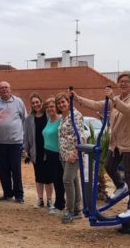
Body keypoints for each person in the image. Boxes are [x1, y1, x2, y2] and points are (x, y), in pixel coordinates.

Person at [70, 71, 130, 218]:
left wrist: (113, 99)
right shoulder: (116, 99)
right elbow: (97, 105)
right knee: (109, 165)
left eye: (126, 81)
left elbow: (129, 110)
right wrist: (78, 98)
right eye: (120, 81)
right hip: (117, 142)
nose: (122, 83)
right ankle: (120, 185)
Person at [0, 81, 27, 203]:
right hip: (0, 142)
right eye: (1, 88)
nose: (4, 89)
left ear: (10, 89)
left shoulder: (18, 102)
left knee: (16, 170)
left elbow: (24, 119)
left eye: (6, 87)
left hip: (15, 143)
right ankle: (7, 193)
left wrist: (23, 138)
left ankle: (19, 195)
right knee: (3, 170)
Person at [55, 92, 84, 223]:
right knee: (74, 181)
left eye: (63, 102)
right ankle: (78, 210)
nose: (61, 105)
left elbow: (81, 136)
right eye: (59, 103)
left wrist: (75, 152)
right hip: (64, 154)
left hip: (73, 154)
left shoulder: (76, 115)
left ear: (68, 102)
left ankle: (70, 210)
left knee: (67, 180)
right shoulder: (63, 117)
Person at [23, 93, 54, 208]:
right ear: (31, 105)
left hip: (49, 150)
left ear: (41, 102)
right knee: (39, 177)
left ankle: (50, 200)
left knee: (49, 178)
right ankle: (40, 199)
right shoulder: (28, 119)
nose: (35, 104)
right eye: (33, 103)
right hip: (35, 151)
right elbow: (26, 136)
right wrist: (26, 149)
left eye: (37, 102)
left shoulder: (49, 116)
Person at [42, 97, 65, 215]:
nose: (50, 109)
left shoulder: (61, 121)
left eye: (52, 106)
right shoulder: (49, 120)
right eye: (48, 107)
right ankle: (59, 203)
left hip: (58, 155)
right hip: (49, 154)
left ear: (56, 107)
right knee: (55, 180)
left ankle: (60, 205)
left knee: (59, 180)